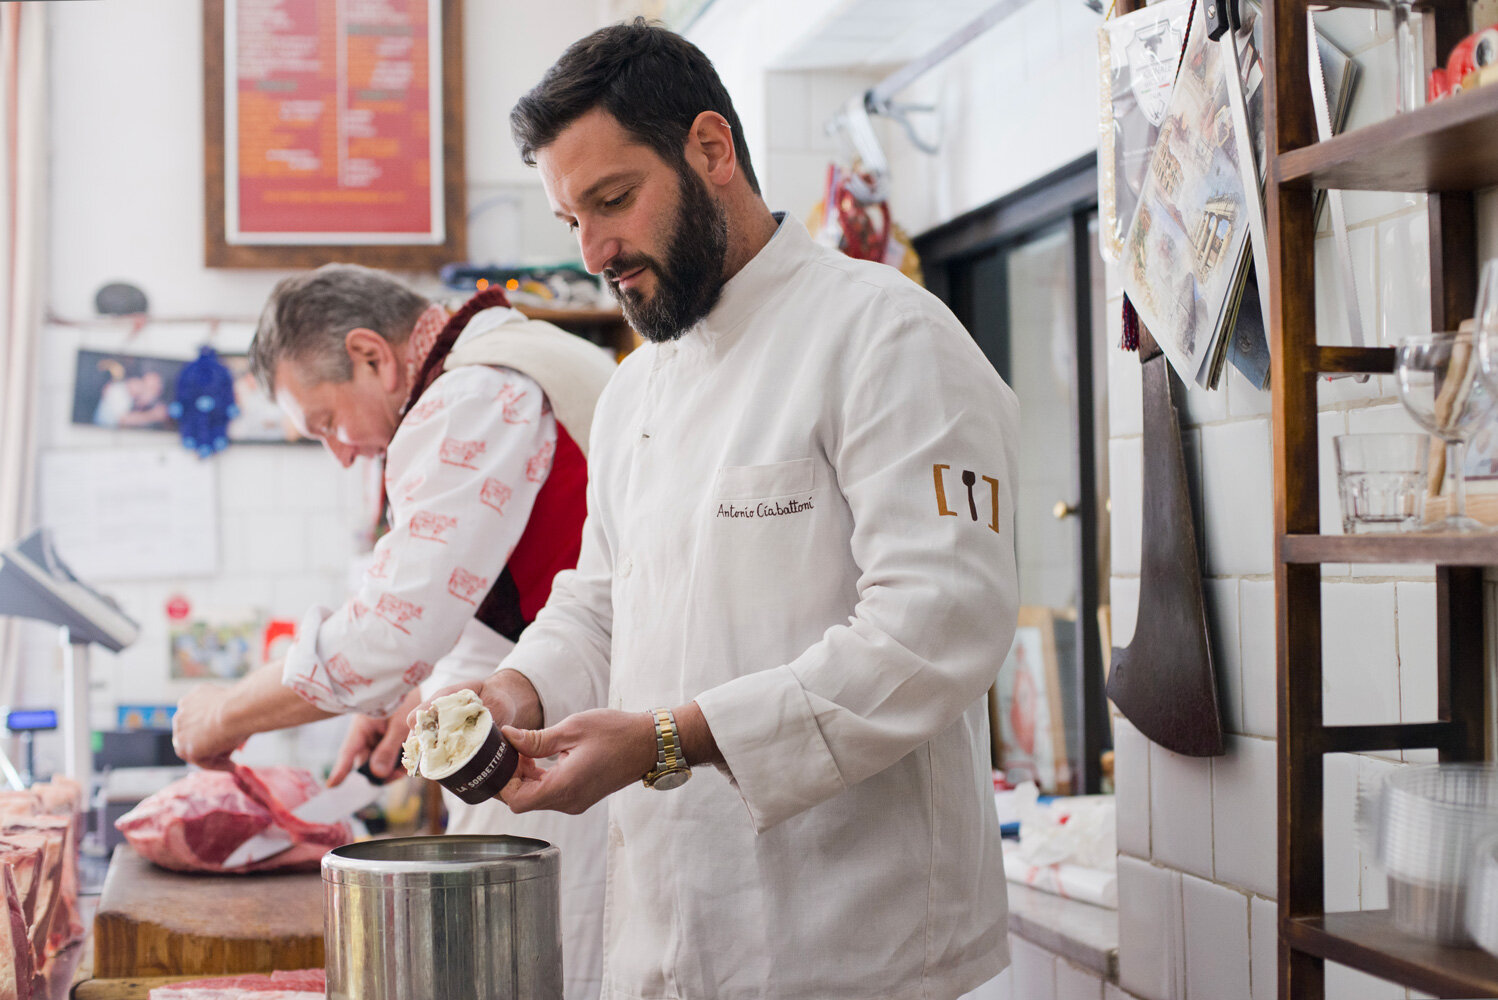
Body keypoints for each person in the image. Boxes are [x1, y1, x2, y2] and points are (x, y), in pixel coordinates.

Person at [421, 19, 1021, 1000]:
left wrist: (668, 739)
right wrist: (515, 690)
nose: (595, 250)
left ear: (711, 149)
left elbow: (937, 626)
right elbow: (600, 599)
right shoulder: (635, 390)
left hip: (854, 949)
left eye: (613, 200)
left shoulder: (882, 334)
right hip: (662, 938)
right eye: (571, 220)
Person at [169, 264, 615, 999]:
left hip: (593, 732)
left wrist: (225, 712)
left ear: (372, 355)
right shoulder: (488, 363)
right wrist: (410, 698)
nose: (339, 451)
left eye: (324, 422)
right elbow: (482, 607)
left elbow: (387, 636)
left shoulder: (473, 392)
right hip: (578, 703)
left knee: (558, 967)